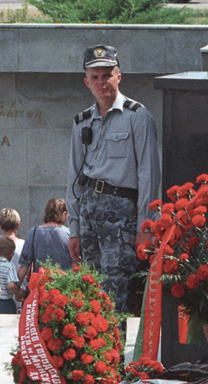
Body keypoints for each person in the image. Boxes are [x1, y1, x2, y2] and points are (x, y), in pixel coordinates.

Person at [66, 44, 161, 321]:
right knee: (90, 289)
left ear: (119, 77)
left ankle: (115, 360)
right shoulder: (81, 122)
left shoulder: (137, 116)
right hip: (88, 213)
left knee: (116, 289)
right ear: (86, 82)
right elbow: (73, 176)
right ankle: (96, 359)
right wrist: (73, 227)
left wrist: (146, 225)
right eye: (94, 77)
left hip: (122, 215)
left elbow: (149, 173)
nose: (101, 82)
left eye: (106, 75)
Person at [18, 198, 74, 286]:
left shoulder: (34, 232)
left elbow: (24, 265)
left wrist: (17, 288)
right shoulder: (69, 234)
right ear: (64, 214)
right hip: (64, 290)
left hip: (40, 288)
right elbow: (75, 265)